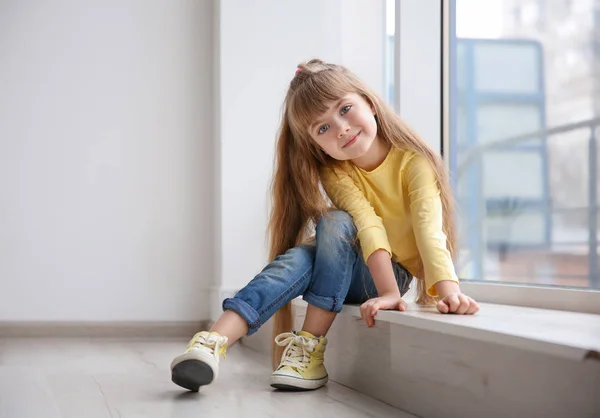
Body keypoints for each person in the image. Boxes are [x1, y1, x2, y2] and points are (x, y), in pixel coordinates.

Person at [169, 59, 479, 393]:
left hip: (388, 276)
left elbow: (428, 229)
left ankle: (308, 344)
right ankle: (210, 344)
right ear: (315, 144)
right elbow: (366, 223)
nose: (341, 128)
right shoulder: (335, 172)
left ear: (370, 103)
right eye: (323, 128)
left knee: (330, 226)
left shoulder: (413, 162)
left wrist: (447, 292)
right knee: (305, 255)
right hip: (344, 267)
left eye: (345, 109)